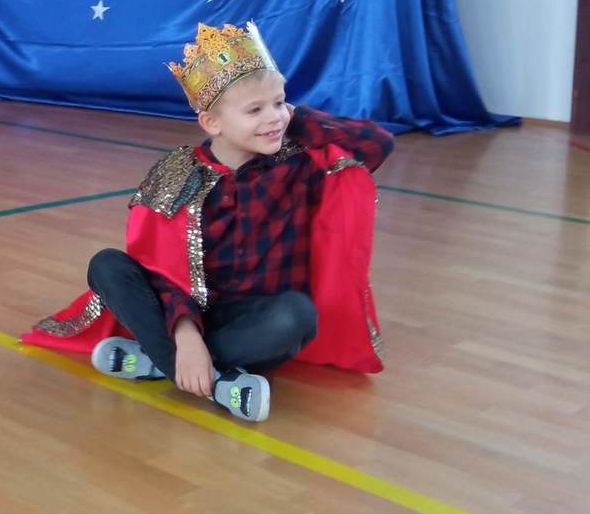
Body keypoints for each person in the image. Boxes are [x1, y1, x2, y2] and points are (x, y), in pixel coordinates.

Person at [22, 22, 394, 421]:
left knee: (296, 315)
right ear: (212, 123)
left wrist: (299, 118)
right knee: (106, 265)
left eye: (279, 103)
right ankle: (213, 380)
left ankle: (159, 361)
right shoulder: (179, 173)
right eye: (255, 110)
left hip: (251, 319)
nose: (274, 118)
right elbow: (159, 269)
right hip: (184, 313)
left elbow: (378, 144)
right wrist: (186, 336)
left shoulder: (298, 160)